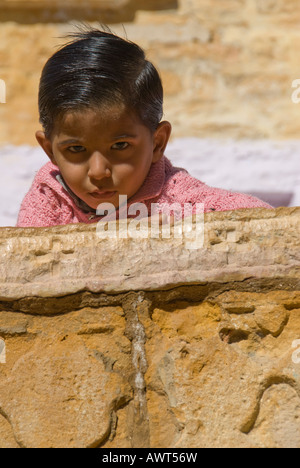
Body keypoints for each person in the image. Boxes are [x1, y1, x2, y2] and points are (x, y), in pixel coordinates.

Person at [16, 26, 273, 228]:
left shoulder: (179, 200)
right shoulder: (50, 199)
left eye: (120, 146)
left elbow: (265, 222)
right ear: (50, 151)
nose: (98, 172)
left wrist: (188, 227)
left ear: (157, 143)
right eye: (75, 149)